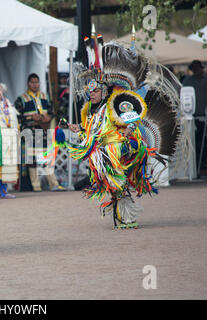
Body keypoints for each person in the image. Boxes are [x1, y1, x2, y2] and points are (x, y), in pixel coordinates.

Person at [61, 27, 182, 229]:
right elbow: (92, 132)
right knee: (114, 186)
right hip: (102, 151)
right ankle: (123, 216)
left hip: (117, 149)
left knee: (118, 184)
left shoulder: (116, 103)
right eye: (90, 92)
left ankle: (126, 216)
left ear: (103, 90)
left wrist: (128, 129)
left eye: (95, 91)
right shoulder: (90, 111)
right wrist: (78, 129)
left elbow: (131, 119)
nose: (91, 95)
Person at [14, 73, 66, 192]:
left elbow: (52, 111)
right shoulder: (21, 99)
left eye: (37, 82)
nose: (35, 85)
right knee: (32, 159)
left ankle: (54, 184)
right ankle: (36, 185)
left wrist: (49, 117)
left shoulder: (45, 96)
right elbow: (17, 116)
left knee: (47, 158)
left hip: (44, 131)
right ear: (28, 84)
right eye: (32, 82)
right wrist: (31, 118)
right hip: (30, 133)